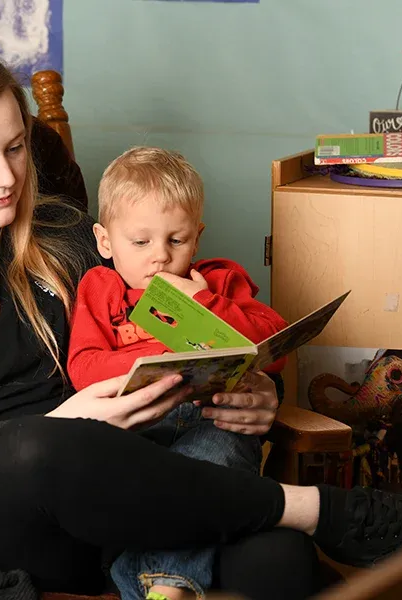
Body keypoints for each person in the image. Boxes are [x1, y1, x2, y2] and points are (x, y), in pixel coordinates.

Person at [0, 40, 402, 600]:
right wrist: (60, 422)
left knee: (273, 560)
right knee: (31, 449)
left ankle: (322, 528)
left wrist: (252, 391)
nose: (7, 177)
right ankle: (334, 512)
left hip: (133, 489)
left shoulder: (62, 236)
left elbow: (173, 341)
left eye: (16, 148)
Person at [66, 146, 290, 600]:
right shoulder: (101, 288)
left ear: (198, 238)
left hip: (210, 424)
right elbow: (84, 368)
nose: (160, 258)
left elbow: (272, 346)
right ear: (106, 241)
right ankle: (159, 579)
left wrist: (201, 306)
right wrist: (160, 353)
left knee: (216, 455)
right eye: (141, 242)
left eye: (177, 240)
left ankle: (165, 586)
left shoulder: (221, 282)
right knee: (144, 479)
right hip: (137, 434)